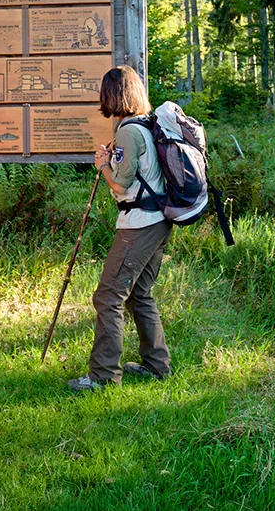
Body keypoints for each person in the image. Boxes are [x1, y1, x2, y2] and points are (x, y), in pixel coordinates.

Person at [68, 65, 173, 391]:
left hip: (139, 224)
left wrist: (102, 167)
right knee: (138, 294)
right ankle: (157, 366)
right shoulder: (144, 125)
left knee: (109, 296)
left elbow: (120, 184)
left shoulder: (128, 131)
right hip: (158, 221)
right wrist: (112, 159)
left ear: (112, 95)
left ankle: (102, 377)